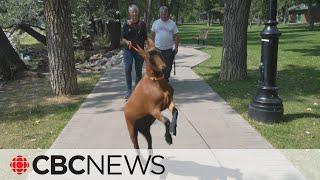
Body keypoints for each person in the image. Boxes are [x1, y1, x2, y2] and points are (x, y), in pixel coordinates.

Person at [122, 4, 148, 99]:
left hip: (139, 50)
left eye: (135, 11)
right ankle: (129, 91)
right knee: (127, 68)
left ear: (138, 13)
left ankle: (138, 90)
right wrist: (127, 41)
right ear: (129, 13)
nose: (134, 13)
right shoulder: (126, 24)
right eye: (132, 12)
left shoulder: (142, 24)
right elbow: (123, 38)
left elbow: (145, 38)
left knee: (138, 71)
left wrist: (147, 49)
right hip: (128, 50)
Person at [151, 6, 179, 82]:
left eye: (165, 14)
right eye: (162, 14)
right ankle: (160, 82)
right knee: (158, 67)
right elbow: (152, 35)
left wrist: (176, 48)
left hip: (169, 50)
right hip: (158, 49)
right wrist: (152, 46)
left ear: (168, 14)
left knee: (168, 67)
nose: (163, 16)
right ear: (159, 14)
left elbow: (176, 36)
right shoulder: (156, 23)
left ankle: (165, 80)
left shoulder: (172, 23)